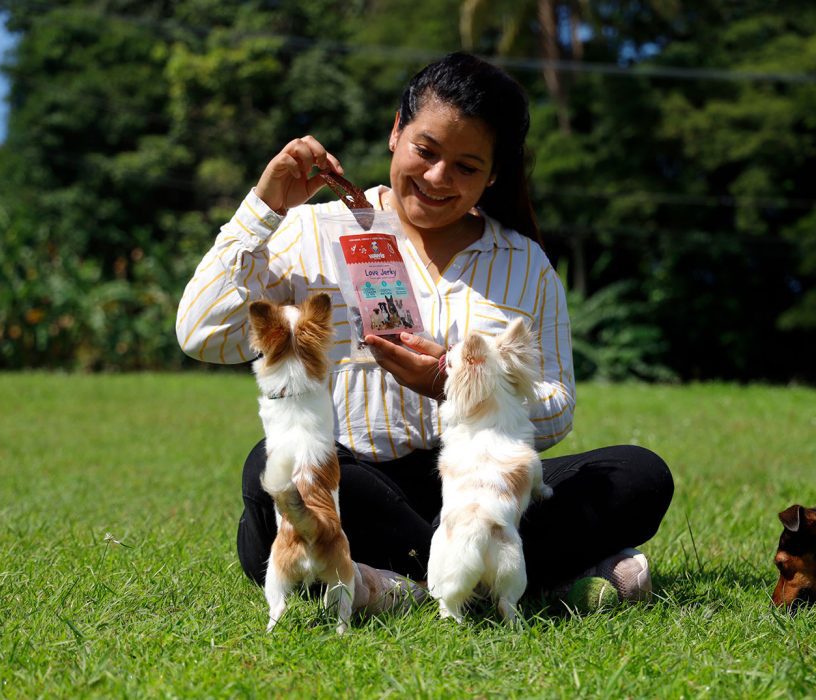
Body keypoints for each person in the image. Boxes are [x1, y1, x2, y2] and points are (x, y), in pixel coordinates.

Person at [176, 52, 673, 613]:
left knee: (639, 475)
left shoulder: (523, 262)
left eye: (466, 167)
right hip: (354, 477)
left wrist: (452, 383)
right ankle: (508, 575)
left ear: (494, 173)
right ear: (397, 131)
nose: (438, 178)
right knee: (276, 471)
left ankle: (393, 585)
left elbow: (556, 408)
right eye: (426, 151)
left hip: (472, 477)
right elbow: (201, 333)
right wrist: (264, 207)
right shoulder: (312, 232)